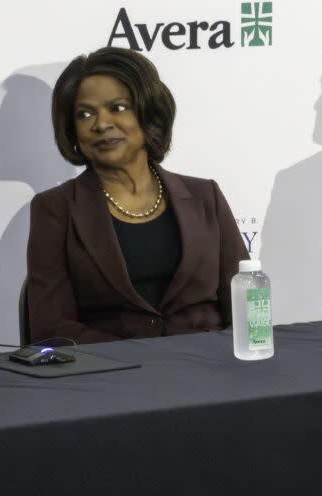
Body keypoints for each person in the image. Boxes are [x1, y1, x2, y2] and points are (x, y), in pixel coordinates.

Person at [27, 47, 248, 344]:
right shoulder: (55, 209)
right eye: (85, 114)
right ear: (72, 130)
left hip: (210, 370)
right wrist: (137, 359)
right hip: (112, 377)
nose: (101, 124)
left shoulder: (205, 196)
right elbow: (51, 328)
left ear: (149, 114)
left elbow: (246, 304)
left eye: (117, 108)